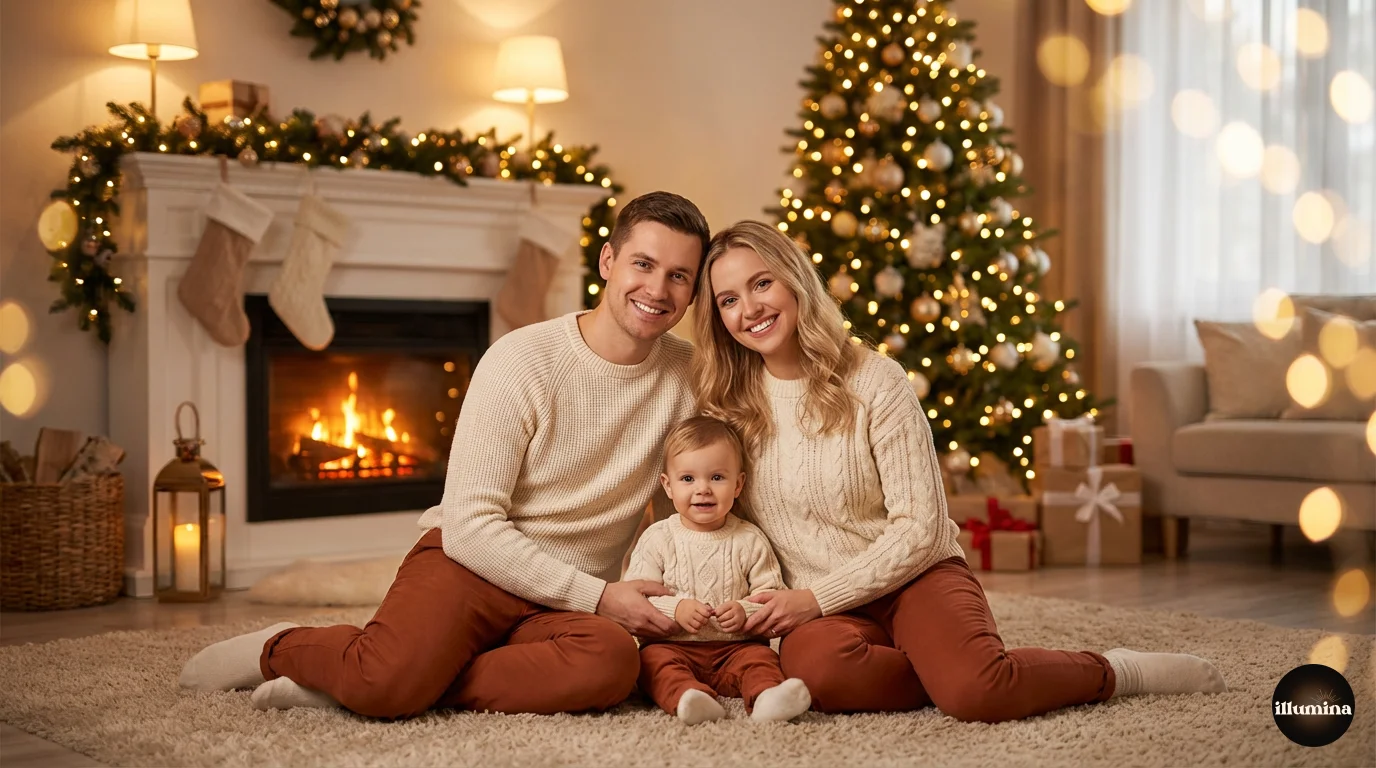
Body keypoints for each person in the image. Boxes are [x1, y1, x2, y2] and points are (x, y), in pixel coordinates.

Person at [178, 191, 711, 719]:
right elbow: (469, 527)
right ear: (608, 261)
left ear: (692, 293)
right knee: (385, 685)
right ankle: (282, 647)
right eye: (643, 264)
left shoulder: (688, 377)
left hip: (566, 600)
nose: (657, 289)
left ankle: (382, 678)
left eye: (679, 276)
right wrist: (600, 598)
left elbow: (681, 513)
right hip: (472, 565)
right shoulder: (521, 360)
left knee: (612, 663)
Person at [691, 220, 1227, 722]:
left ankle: (1115, 670)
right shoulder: (726, 408)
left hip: (914, 576)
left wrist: (814, 599)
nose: (750, 309)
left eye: (762, 283)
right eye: (729, 300)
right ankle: (950, 665)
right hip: (824, 609)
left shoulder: (876, 380)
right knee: (819, 676)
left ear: (795, 282)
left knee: (978, 693)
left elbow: (921, 529)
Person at [623, 415, 811, 725]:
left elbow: (771, 595)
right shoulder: (658, 538)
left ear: (738, 485)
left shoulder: (749, 538)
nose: (703, 489)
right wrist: (676, 609)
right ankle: (689, 697)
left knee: (762, 661)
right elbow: (638, 600)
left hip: (736, 648)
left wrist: (744, 610)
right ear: (667, 486)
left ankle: (767, 698)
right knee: (651, 664)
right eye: (688, 479)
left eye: (717, 477)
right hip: (672, 646)